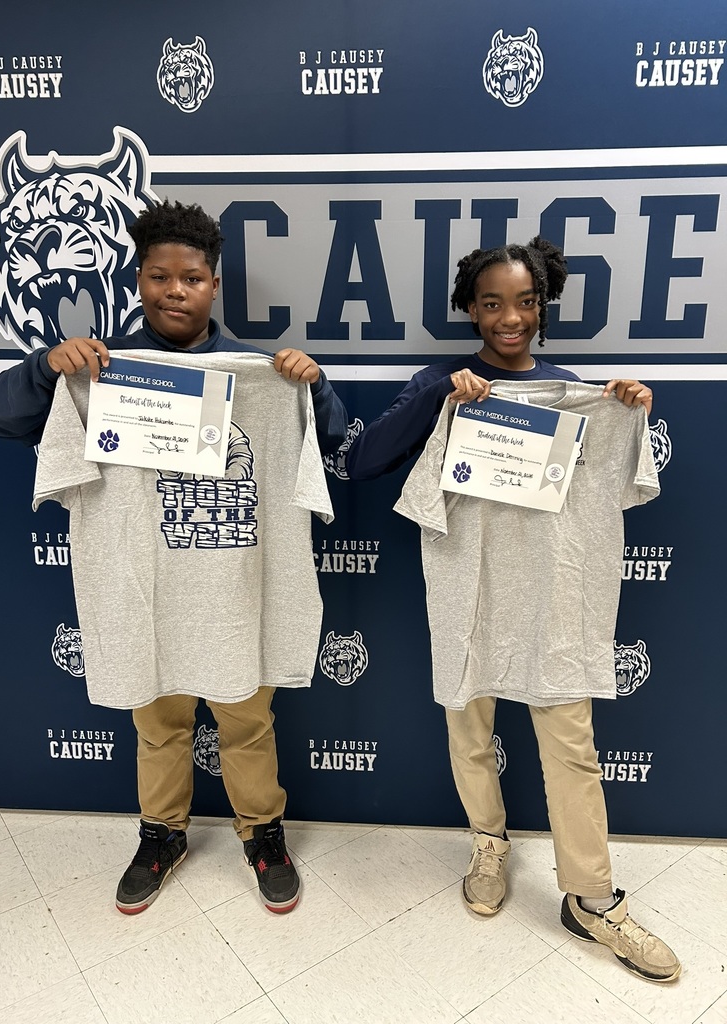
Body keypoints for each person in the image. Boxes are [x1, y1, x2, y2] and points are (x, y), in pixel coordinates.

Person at [0, 199, 348, 916]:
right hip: (143, 589)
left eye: (191, 278)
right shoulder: (101, 368)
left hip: (237, 591)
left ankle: (261, 832)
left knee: (247, 723)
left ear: (214, 285)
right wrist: (45, 367)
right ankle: (163, 833)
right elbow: (1, 415)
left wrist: (314, 385)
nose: (174, 290)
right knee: (157, 724)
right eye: (158, 276)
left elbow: (327, 440)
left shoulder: (262, 373)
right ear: (139, 281)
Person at [346, 237, 681, 983]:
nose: (510, 318)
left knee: (572, 743)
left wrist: (625, 412)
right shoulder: (441, 381)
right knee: (470, 727)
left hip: (555, 599)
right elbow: (367, 462)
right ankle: (488, 842)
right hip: (470, 589)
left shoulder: (572, 389)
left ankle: (592, 898)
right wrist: (441, 400)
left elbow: (614, 482)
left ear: (543, 306)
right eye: (492, 303)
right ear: (470, 308)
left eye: (525, 302)